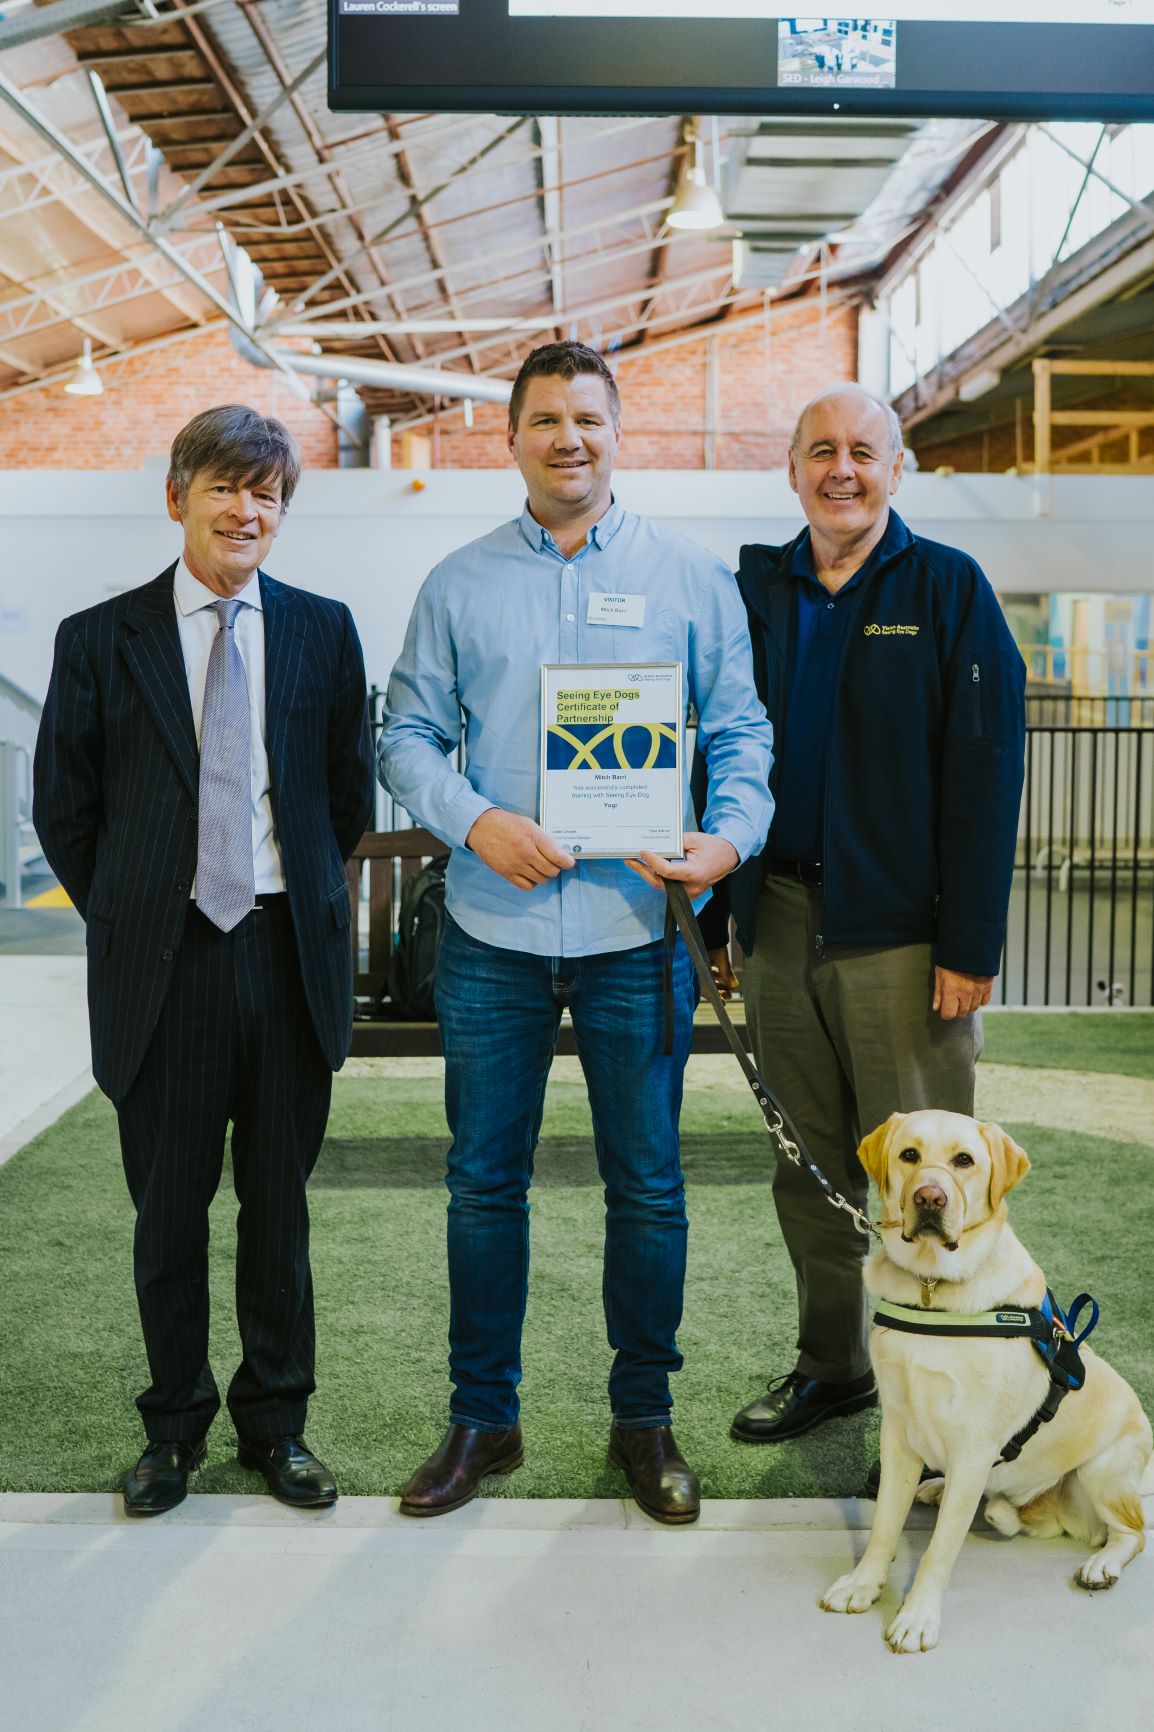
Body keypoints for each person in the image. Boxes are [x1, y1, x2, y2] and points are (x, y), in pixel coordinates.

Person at [378, 341, 773, 1523]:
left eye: (587, 419)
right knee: (481, 1184)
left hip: (635, 927)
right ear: (508, 438)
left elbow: (741, 736)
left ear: (617, 432)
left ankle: (642, 1421)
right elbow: (403, 736)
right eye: (544, 419)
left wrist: (724, 842)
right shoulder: (456, 583)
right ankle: (480, 1421)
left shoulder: (691, 581)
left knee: (646, 1186)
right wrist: (474, 819)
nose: (568, 439)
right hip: (492, 929)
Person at [34, 405, 374, 1515]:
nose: (245, 509)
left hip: (285, 956)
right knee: (168, 1216)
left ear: (283, 511)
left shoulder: (325, 629)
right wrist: (138, 912)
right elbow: (65, 806)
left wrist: (290, 891)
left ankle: (278, 1426)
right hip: (165, 967)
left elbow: (344, 798)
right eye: (224, 486)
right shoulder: (101, 636)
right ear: (175, 494)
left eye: (266, 492)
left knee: (279, 1215)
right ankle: (171, 1430)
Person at [705, 384, 1025, 1446]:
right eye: (819, 451)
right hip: (782, 917)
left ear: (897, 468)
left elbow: (984, 774)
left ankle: (949, 1397)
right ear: (790, 467)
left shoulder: (944, 587)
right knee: (807, 1167)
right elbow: (713, 751)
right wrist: (722, 923)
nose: (840, 469)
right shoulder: (753, 590)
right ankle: (833, 1365)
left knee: (932, 1182)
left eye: (861, 451)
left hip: (902, 938)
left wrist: (968, 943)